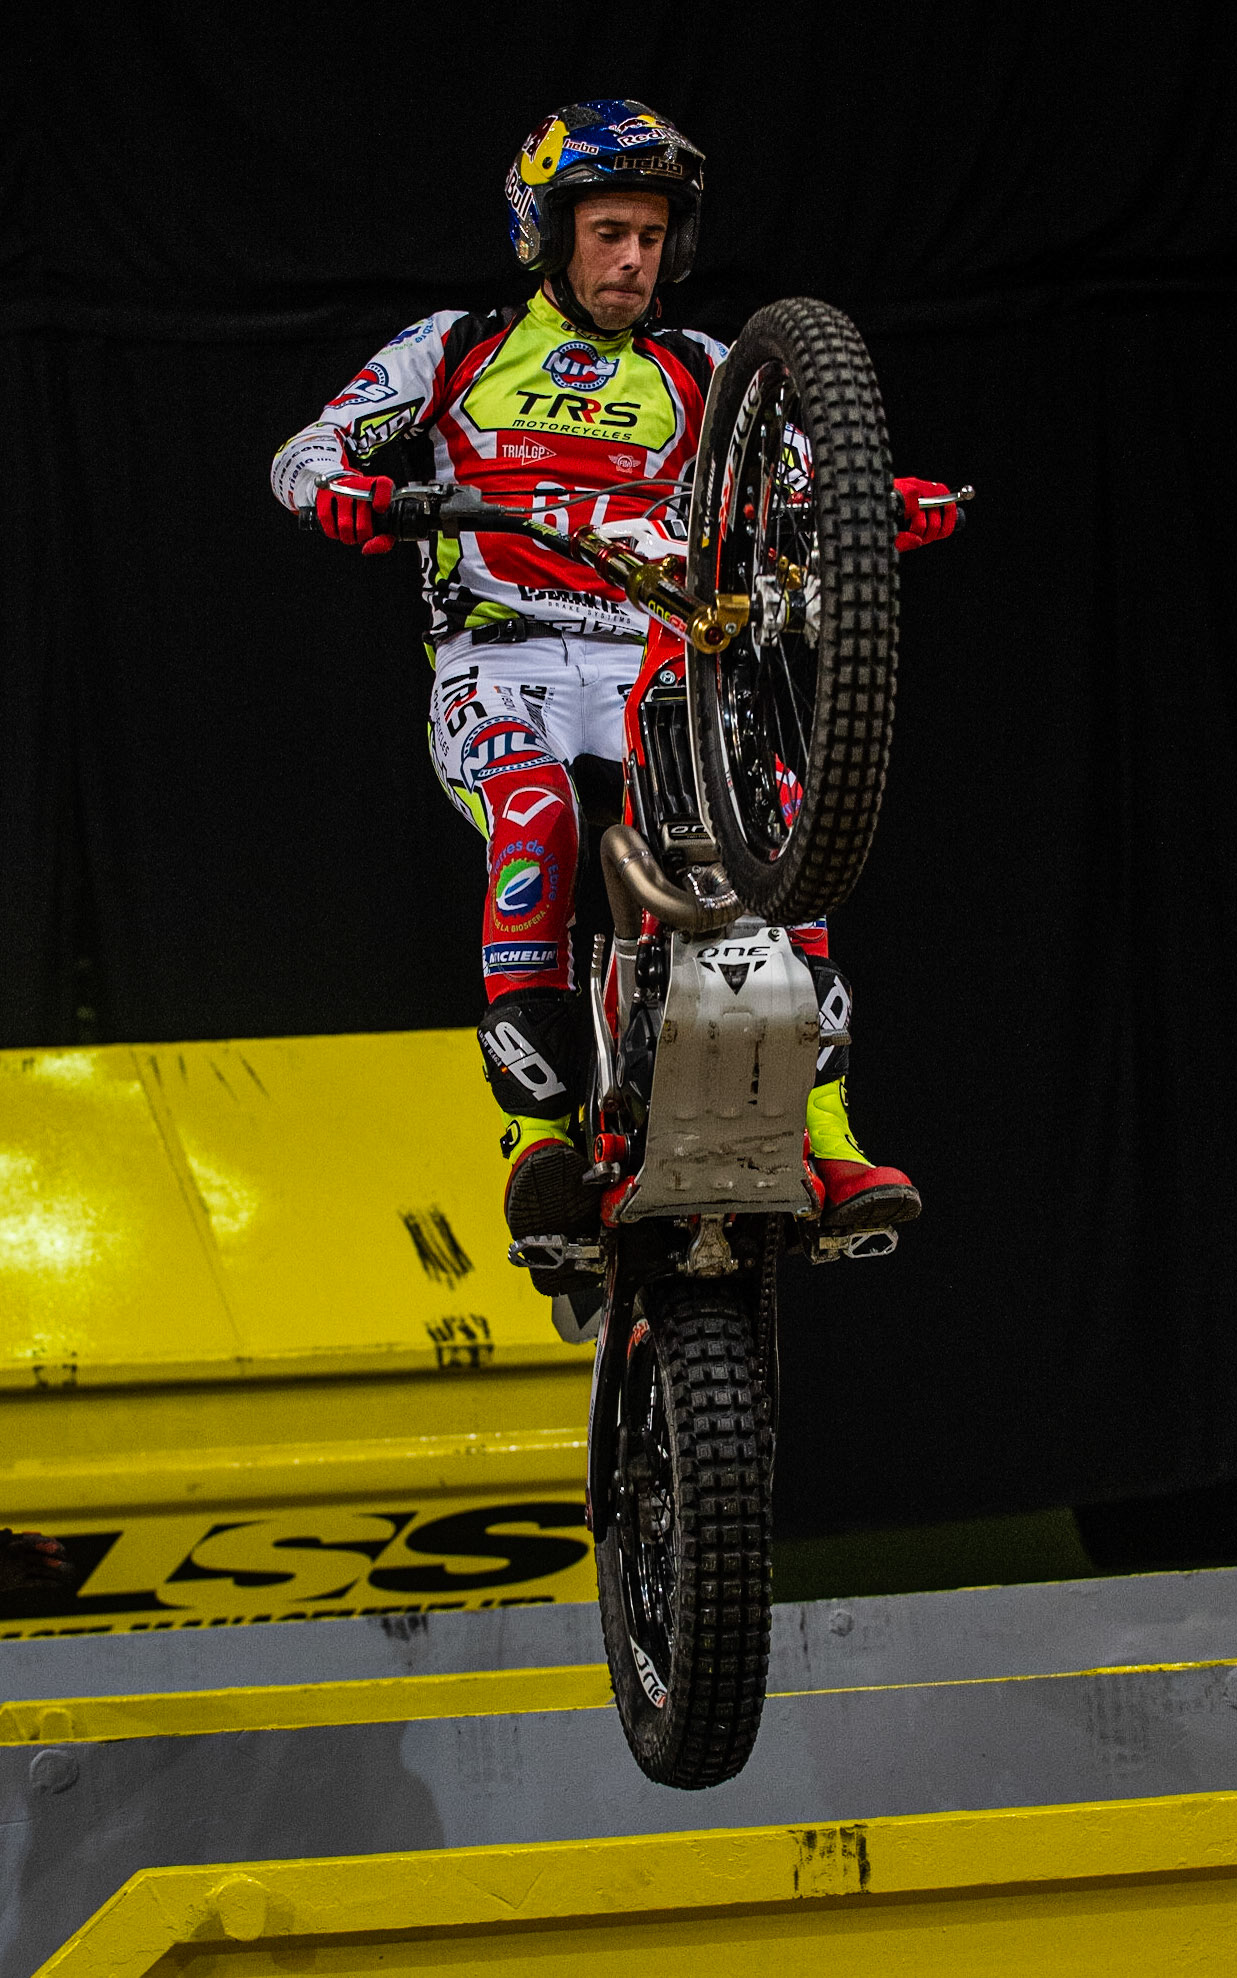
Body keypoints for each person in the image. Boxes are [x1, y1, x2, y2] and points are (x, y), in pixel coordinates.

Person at [272, 99, 955, 1292]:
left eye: (652, 235)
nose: (634, 257)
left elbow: (805, 480)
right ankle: (536, 1145)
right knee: (535, 814)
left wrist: (876, 500)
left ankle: (831, 1142)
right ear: (550, 236)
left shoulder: (706, 371)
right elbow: (304, 453)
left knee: (785, 816)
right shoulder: (456, 346)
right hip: (503, 657)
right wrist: (343, 493)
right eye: (608, 232)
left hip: (659, 653)